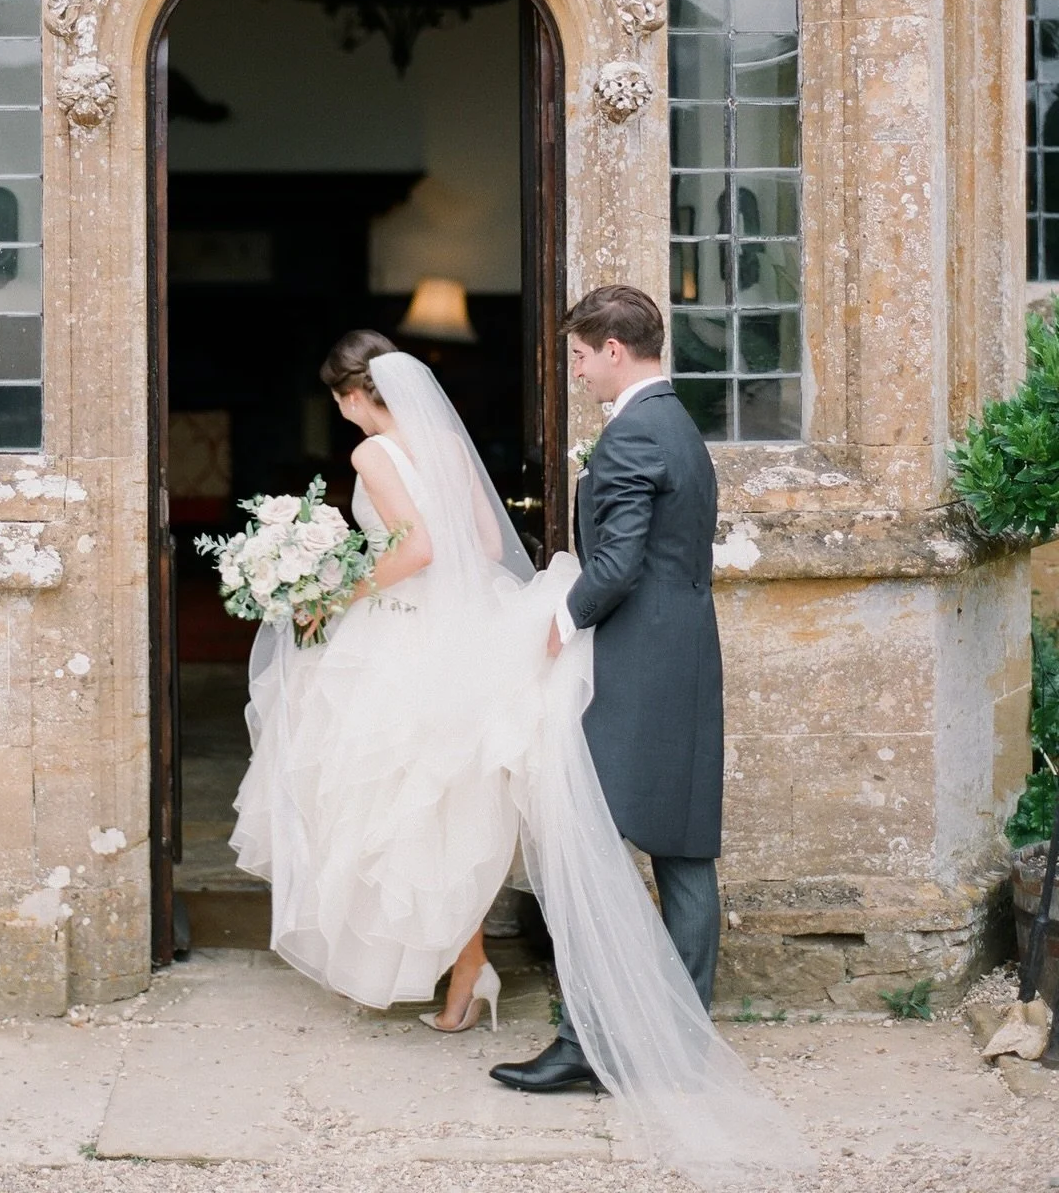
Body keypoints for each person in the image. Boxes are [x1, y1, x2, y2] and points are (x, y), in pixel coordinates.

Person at [231, 313, 808, 1183]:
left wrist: (334, 586)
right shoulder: (649, 431)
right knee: (473, 803)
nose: (574, 369)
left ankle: (548, 1016)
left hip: (423, 636)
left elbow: (427, 550)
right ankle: (507, 988)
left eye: (579, 356)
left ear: (356, 395)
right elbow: (479, 538)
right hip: (513, 631)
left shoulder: (375, 456)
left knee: (424, 804)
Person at [491, 282, 724, 1094]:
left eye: (582, 357)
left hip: (632, 666)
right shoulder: (681, 428)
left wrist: (568, 617)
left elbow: (618, 565)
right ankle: (681, 1046)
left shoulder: (631, 440)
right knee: (686, 852)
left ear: (615, 351)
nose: (580, 373)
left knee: (584, 847)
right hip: (686, 655)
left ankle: (584, 1046)